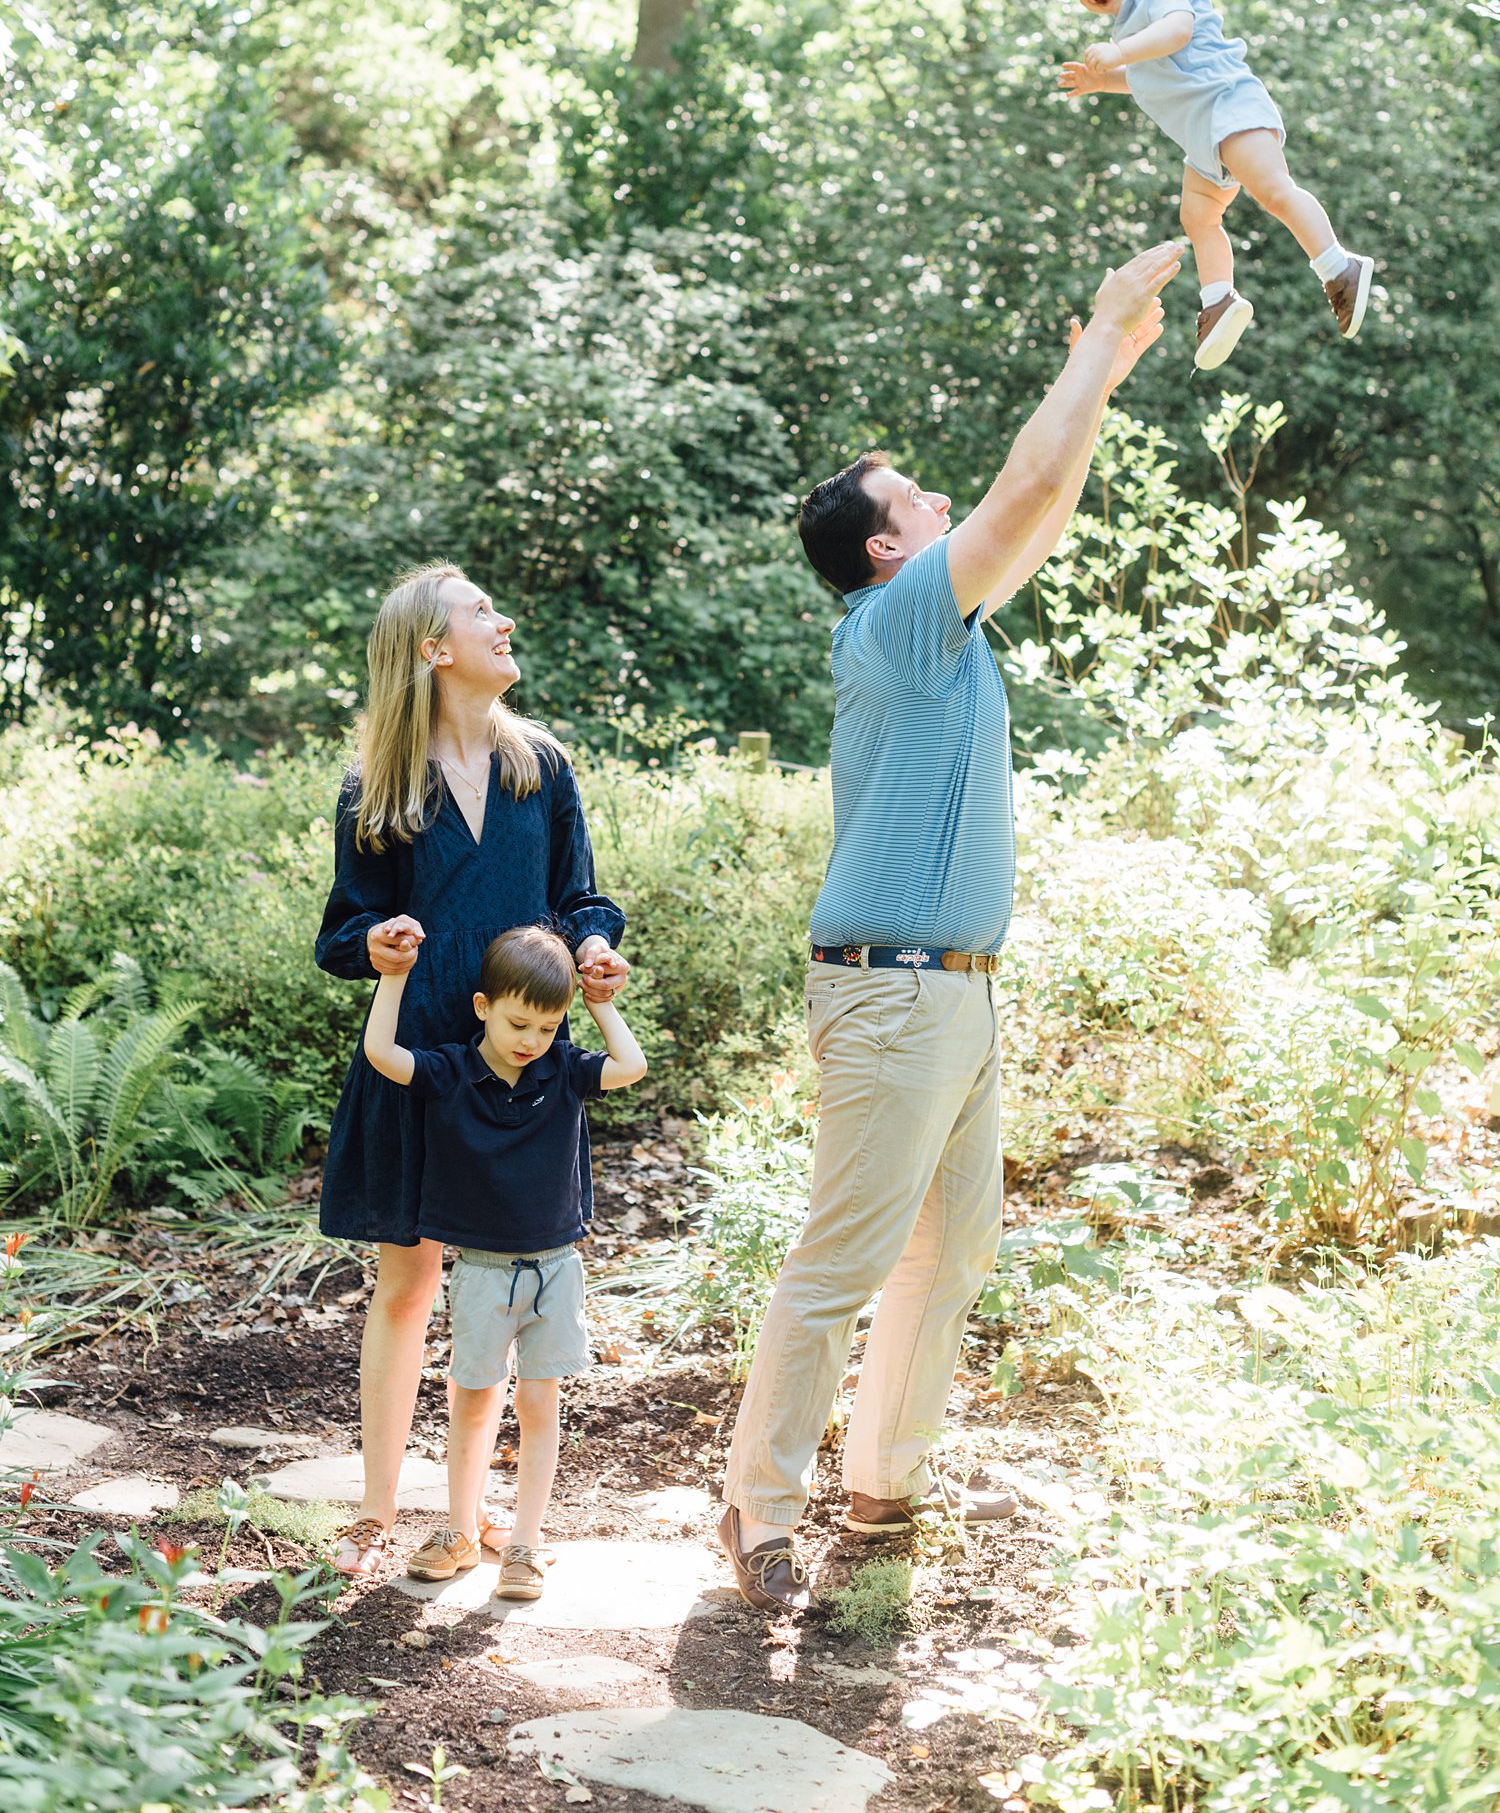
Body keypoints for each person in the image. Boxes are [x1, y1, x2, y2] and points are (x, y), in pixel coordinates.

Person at [717, 239, 1182, 1613]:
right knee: (842, 1258)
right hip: (893, 992)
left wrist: (1116, 365)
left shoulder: (946, 626)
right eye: (918, 496)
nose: (940, 498)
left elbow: (1048, 500)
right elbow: (1025, 486)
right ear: (886, 546)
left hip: (960, 993)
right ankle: (758, 1504)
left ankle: (884, 1483)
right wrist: (1094, 331)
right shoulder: (896, 620)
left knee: (951, 1247)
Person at [315, 562, 629, 1579]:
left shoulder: (543, 764)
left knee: (496, 1284)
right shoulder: (376, 789)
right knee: (406, 1284)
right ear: (431, 649)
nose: (504, 621)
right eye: (480, 611)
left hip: (518, 1074)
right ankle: (375, 1511)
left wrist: (591, 949)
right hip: (421, 1063)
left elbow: (581, 895)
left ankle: (471, 1513)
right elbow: (343, 928)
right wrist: (381, 945)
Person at [359, 921, 647, 1598]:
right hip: (484, 1270)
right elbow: (380, 1051)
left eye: (548, 1028)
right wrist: (394, 975)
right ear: (483, 1007)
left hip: (555, 1268)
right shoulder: (452, 1070)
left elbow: (630, 1067)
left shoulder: (564, 1071)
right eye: (519, 1023)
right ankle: (461, 1529)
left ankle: (524, 1544)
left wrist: (599, 1000)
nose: (531, 1041)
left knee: (540, 1401)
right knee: (473, 1397)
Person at [1054, 0, 1374, 370]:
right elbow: (1152, 75)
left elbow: (1178, 32)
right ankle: (1219, 301)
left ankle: (1338, 267)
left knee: (1274, 192)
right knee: (1198, 218)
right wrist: (1105, 80)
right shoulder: (1131, 28)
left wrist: (1120, 51)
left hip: (1230, 107)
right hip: (1205, 140)